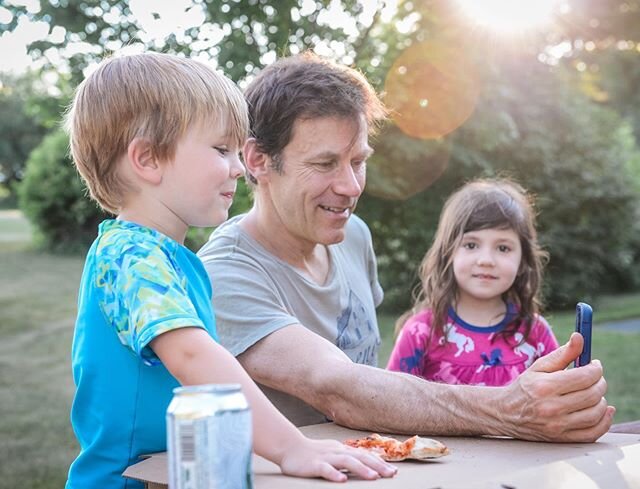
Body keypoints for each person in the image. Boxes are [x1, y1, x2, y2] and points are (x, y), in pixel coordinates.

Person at [198, 52, 614, 441]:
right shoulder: (224, 275)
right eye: (325, 164)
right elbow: (336, 388)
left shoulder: (351, 235)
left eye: (358, 161)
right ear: (257, 160)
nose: (351, 186)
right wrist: (508, 407)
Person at [64, 52, 397, 489]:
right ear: (148, 159)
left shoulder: (170, 258)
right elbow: (193, 357)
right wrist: (291, 447)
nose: (239, 168)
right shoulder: (130, 257)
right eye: (222, 150)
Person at [387, 178, 559, 385]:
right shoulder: (420, 332)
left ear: (523, 260)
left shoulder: (536, 333)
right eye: (470, 245)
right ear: (448, 253)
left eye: (503, 248)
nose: (485, 260)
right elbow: (390, 405)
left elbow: (560, 403)